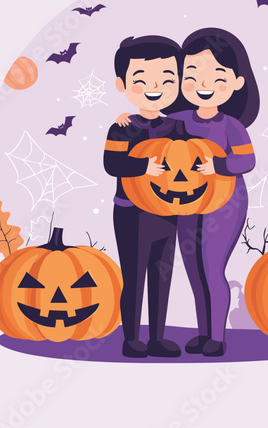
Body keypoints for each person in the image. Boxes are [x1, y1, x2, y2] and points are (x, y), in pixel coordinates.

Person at [117, 28, 259, 356]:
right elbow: (150, 126)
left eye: (217, 76)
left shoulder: (231, 125)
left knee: (212, 269)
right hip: (183, 205)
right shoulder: (178, 118)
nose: (203, 85)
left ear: (237, 82)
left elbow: (247, 160)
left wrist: (220, 166)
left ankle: (218, 337)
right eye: (192, 76)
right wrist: (127, 118)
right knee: (194, 271)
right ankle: (203, 332)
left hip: (224, 206)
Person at [103, 35, 187, 358]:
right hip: (131, 213)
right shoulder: (121, 128)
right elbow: (111, 164)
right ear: (122, 84)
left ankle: (157, 338)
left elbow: (190, 159)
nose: (156, 87)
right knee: (134, 276)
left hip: (167, 211)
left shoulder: (176, 127)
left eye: (167, 79)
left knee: (162, 275)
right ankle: (131, 339)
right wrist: (142, 167)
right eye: (142, 80)